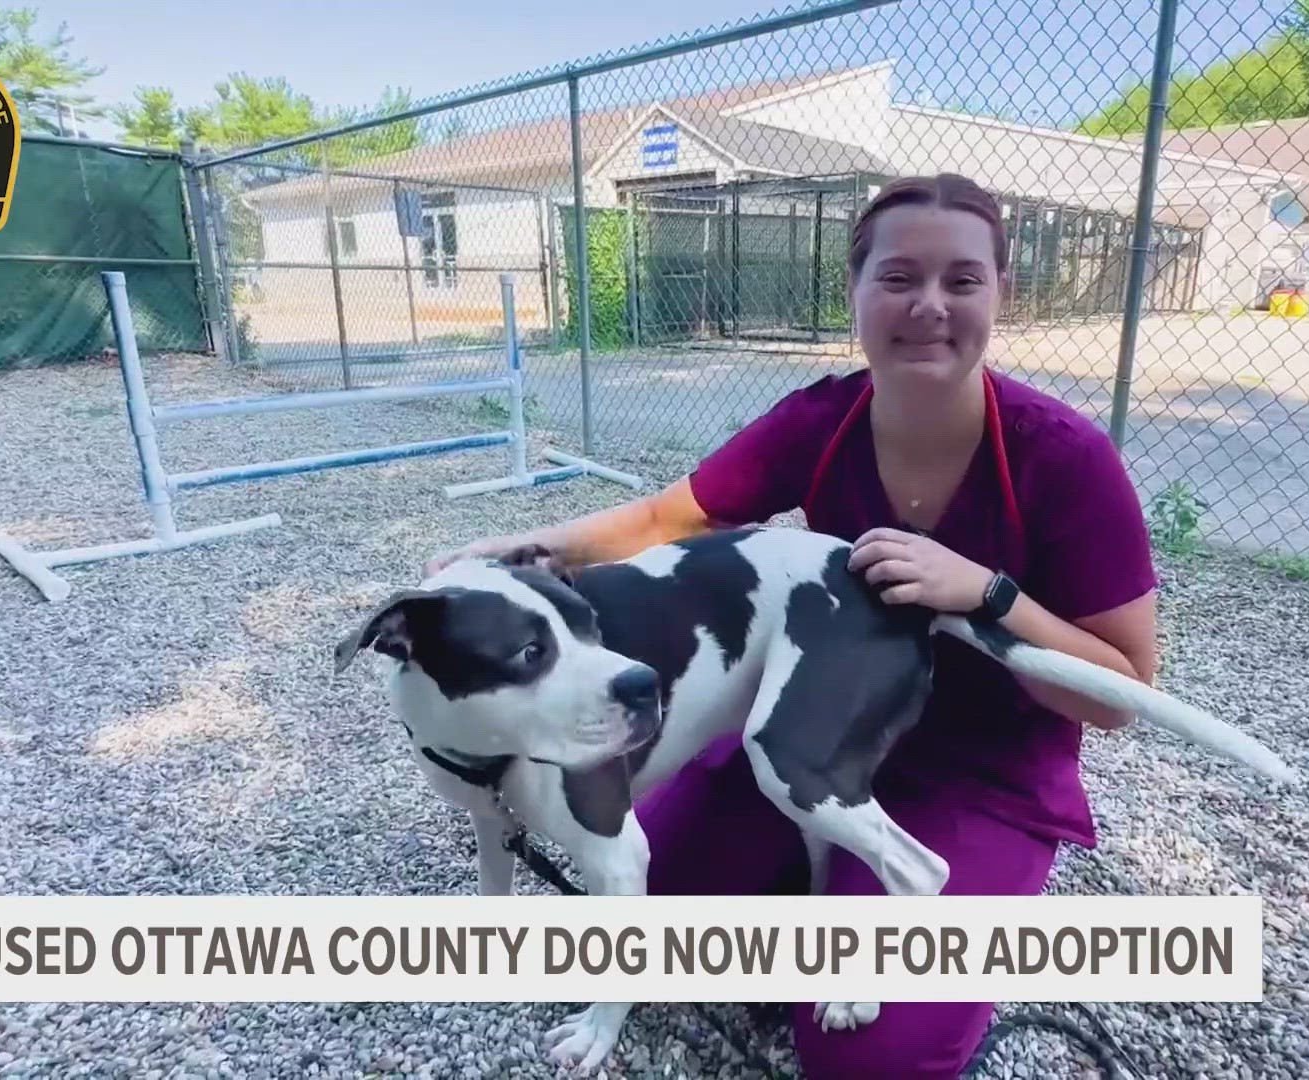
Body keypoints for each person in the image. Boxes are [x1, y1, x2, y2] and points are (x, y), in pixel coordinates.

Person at [426, 173, 1159, 1078]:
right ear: (853, 290)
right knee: (664, 906)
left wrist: (989, 593)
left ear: (1001, 293)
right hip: (817, 718)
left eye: (962, 280)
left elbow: (1122, 693)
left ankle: (899, 931)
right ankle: (812, 907)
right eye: (898, 277)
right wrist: (518, 552)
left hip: (978, 776)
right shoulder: (823, 417)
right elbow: (668, 520)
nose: (929, 305)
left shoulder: (1066, 458)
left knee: (868, 1056)